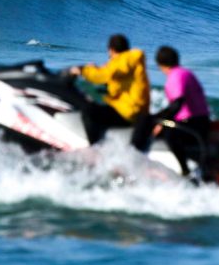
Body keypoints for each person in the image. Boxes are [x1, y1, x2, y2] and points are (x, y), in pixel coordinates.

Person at [131, 46, 211, 176]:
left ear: (160, 64)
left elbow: (177, 104)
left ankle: (133, 156)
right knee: (156, 121)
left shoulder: (175, 76)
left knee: (148, 121)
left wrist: (162, 122)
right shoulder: (186, 73)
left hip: (191, 127)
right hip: (201, 123)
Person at [70, 34, 150, 144]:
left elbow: (103, 75)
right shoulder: (132, 60)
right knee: (100, 107)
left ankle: (95, 149)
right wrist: (100, 68)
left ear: (111, 49)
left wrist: (82, 70)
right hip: (137, 112)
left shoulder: (124, 60)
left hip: (127, 113)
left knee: (89, 110)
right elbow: (116, 76)